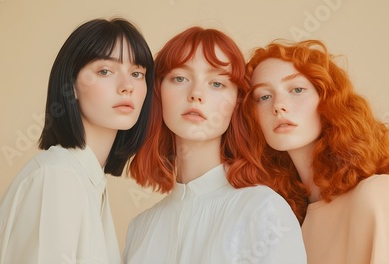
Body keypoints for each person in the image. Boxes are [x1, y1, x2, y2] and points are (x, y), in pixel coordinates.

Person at [0, 17, 154, 264]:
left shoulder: (88, 180)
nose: (127, 86)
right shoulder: (57, 176)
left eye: (137, 73)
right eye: (105, 71)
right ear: (71, 84)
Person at [123, 27, 306, 264]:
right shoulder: (140, 228)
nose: (196, 94)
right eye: (180, 78)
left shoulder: (263, 210)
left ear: (237, 103)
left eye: (217, 84)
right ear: (157, 93)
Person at [243, 39, 389, 264]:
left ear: (327, 100)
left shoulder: (375, 195)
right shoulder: (289, 221)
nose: (278, 105)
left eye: (297, 89)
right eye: (264, 96)